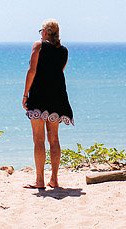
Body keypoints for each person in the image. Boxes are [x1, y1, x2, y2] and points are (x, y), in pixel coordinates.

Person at [22, 19, 74, 189]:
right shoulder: (64, 51)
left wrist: (25, 94)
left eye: (41, 30)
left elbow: (32, 70)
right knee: (54, 139)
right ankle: (55, 179)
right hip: (58, 97)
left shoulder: (39, 46)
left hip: (39, 96)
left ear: (45, 32)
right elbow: (59, 72)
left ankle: (39, 181)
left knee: (38, 139)